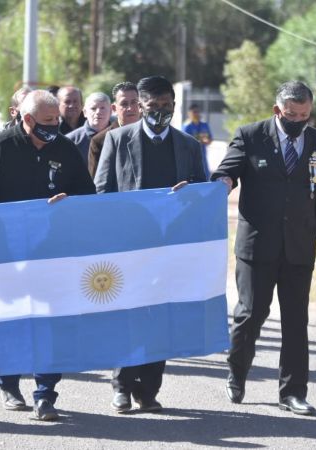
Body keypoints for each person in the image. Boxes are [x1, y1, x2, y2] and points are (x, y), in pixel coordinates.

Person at [0, 90, 95, 422]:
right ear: (27, 120)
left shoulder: (64, 149)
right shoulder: (0, 147)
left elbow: (87, 197)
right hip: (8, 257)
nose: (55, 126)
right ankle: (9, 383)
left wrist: (71, 205)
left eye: (57, 121)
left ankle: (46, 393)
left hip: (53, 256)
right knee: (12, 322)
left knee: (52, 325)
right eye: (48, 121)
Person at [212, 81, 316, 416]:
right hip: (257, 246)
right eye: (292, 114)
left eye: (305, 114)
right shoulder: (251, 135)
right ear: (277, 110)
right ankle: (237, 372)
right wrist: (223, 183)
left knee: (296, 321)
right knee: (251, 314)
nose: (298, 120)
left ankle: (293, 392)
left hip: (299, 246)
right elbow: (228, 171)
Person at [94, 76, 206, 414]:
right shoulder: (116, 139)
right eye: (152, 106)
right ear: (139, 106)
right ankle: (121, 386)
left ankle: (149, 389)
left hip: (169, 249)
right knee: (129, 316)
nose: (159, 111)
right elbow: (102, 192)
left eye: (165, 106)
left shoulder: (188, 145)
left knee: (161, 319)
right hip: (128, 248)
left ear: (174, 105)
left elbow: (201, 196)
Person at [87, 82, 140, 177]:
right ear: (114, 108)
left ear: (140, 105)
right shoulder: (99, 141)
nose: (130, 108)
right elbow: (95, 181)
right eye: (124, 104)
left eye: (134, 102)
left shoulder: (152, 134)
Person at [66, 92, 111, 163]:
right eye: (93, 108)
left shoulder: (120, 136)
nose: (98, 112)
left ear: (111, 111)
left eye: (102, 108)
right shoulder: (71, 141)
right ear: (85, 112)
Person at [182, 103, 213, 178]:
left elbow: (210, 138)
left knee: (205, 174)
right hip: (190, 155)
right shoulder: (187, 126)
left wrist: (207, 141)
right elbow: (184, 142)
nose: (196, 114)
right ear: (189, 113)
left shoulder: (204, 124)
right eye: (194, 112)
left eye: (198, 111)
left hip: (203, 154)